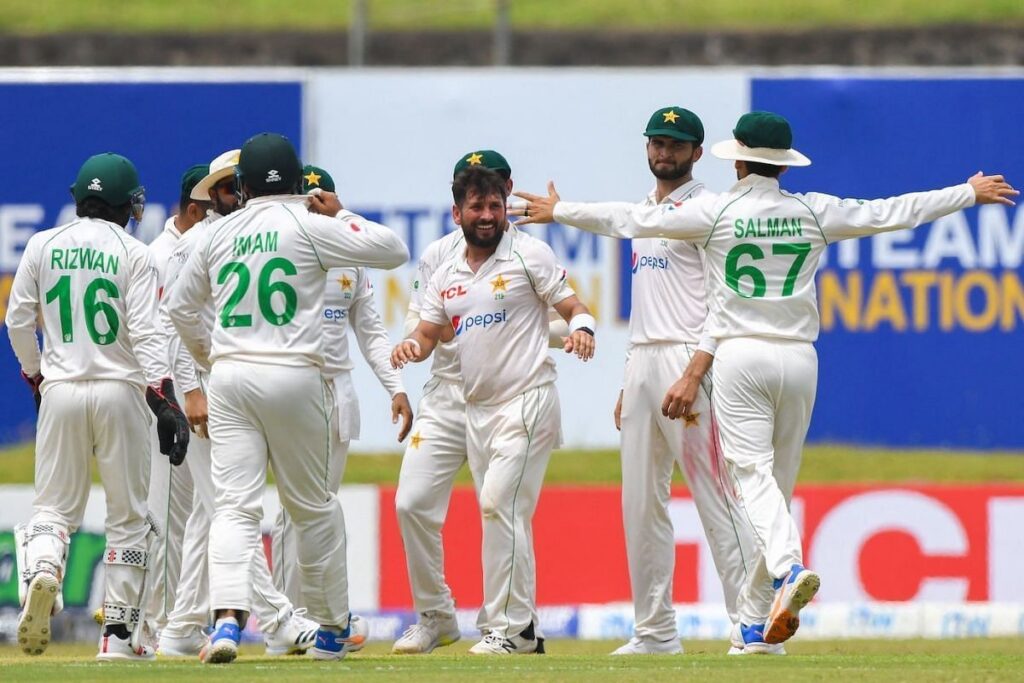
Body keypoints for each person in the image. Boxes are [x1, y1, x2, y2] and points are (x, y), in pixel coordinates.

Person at [513, 110, 1017, 650]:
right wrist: (964, 193)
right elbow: (890, 213)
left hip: (736, 355)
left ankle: (782, 573)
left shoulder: (715, 211)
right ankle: (746, 622)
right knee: (772, 486)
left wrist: (560, 210)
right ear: (781, 163)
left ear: (738, 160)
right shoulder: (813, 210)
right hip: (799, 357)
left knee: (749, 480)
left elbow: (626, 222)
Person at [167, 132, 409, 664]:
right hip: (297, 375)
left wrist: (208, 356)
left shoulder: (217, 233)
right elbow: (394, 250)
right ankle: (333, 626)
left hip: (230, 378)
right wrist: (343, 214)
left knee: (233, 508)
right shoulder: (312, 226)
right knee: (313, 508)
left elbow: (181, 310)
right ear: (299, 183)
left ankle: (228, 622)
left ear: (244, 186)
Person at [392, 165, 595, 655]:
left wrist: (584, 327)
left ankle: (506, 629)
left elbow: (570, 305)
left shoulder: (529, 254)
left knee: (498, 505)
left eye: (494, 206)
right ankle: (511, 629)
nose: (487, 216)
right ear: (457, 212)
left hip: (526, 399)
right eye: (477, 208)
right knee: (478, 509)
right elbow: (428, 331)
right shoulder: (444, 270)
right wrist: (410, 350)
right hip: (470, 405)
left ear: (505, 206)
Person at [6, 152, 190, 660]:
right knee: (128, 518)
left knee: (52, 509)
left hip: (61, 387)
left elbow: (18, 322)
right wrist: (165, 399)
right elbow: (149, 333)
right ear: (124, 202)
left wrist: (37, 376)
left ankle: (44, 569)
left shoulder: (43, 244)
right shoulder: (135, 252)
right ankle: (119, 638)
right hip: (121, 391)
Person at [606, 107, 765, 656]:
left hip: (689, 363)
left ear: (698, 153)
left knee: (716, 496)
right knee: (640, 505)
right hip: (644, 359)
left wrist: (695, 371)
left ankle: (753, 624)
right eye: (657, 142)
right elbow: (649, 303)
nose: (664, 152)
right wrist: (631, 380)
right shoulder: (649, 210)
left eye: (676, 144)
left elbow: (723, 302)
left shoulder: (707, 210)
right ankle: (653, 632)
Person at [157, 149, 320, 657]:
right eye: (226, 190)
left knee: (213, 514)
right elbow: (171, 324)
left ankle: (181, 629)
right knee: (229, 509)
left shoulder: (240, 238)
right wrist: (191, 390)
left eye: (238, 186)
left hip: (228, 386)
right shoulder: (203, 241)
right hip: (207, 393)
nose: (236, 196)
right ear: (214, 196)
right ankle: (278, 620)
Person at [270, 165, 413, 606]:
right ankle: (291, 616)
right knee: (296, 510)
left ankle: (310, 614)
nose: (314, 209)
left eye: (322, 201)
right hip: (289, 386)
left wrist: (397, 387)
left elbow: (369, 332)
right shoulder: (282, 247)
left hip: (336, 391)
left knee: (320, 505)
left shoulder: (351, 255)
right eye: (306, 201)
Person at [141, 162, 208, 642]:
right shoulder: (161, 255)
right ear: (191, 209)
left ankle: (183, 618)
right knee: (167, 513)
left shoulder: (197, 248)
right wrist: (171, 396)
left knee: (199, 511)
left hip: (195, 392)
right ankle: (160, 621)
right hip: (166, 399)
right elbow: (157, 332)